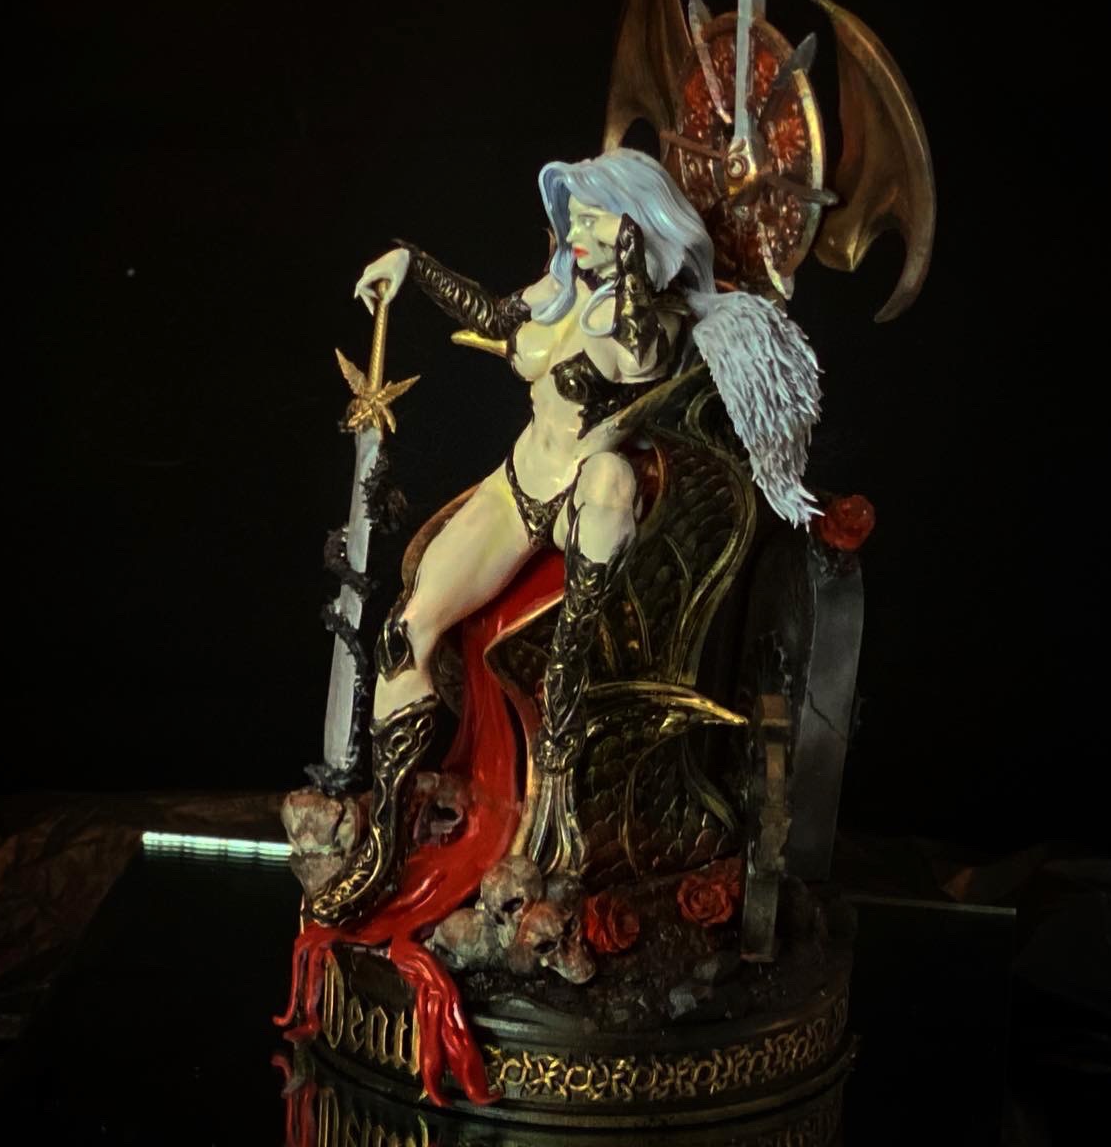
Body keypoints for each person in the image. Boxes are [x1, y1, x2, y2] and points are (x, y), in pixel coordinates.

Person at [310, 146, 820, 923]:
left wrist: (634, 270)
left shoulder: (653, 318)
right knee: (403, 634)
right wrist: (414, 266)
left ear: (636, 226)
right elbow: (495, 318)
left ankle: (565, 685)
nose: (575, 234)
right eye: (572, 217)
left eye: (594, 220)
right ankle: (384, 845)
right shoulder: (559, 293)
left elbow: (638, 351)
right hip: (520, 488)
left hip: (594, 500)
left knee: (608, 481)